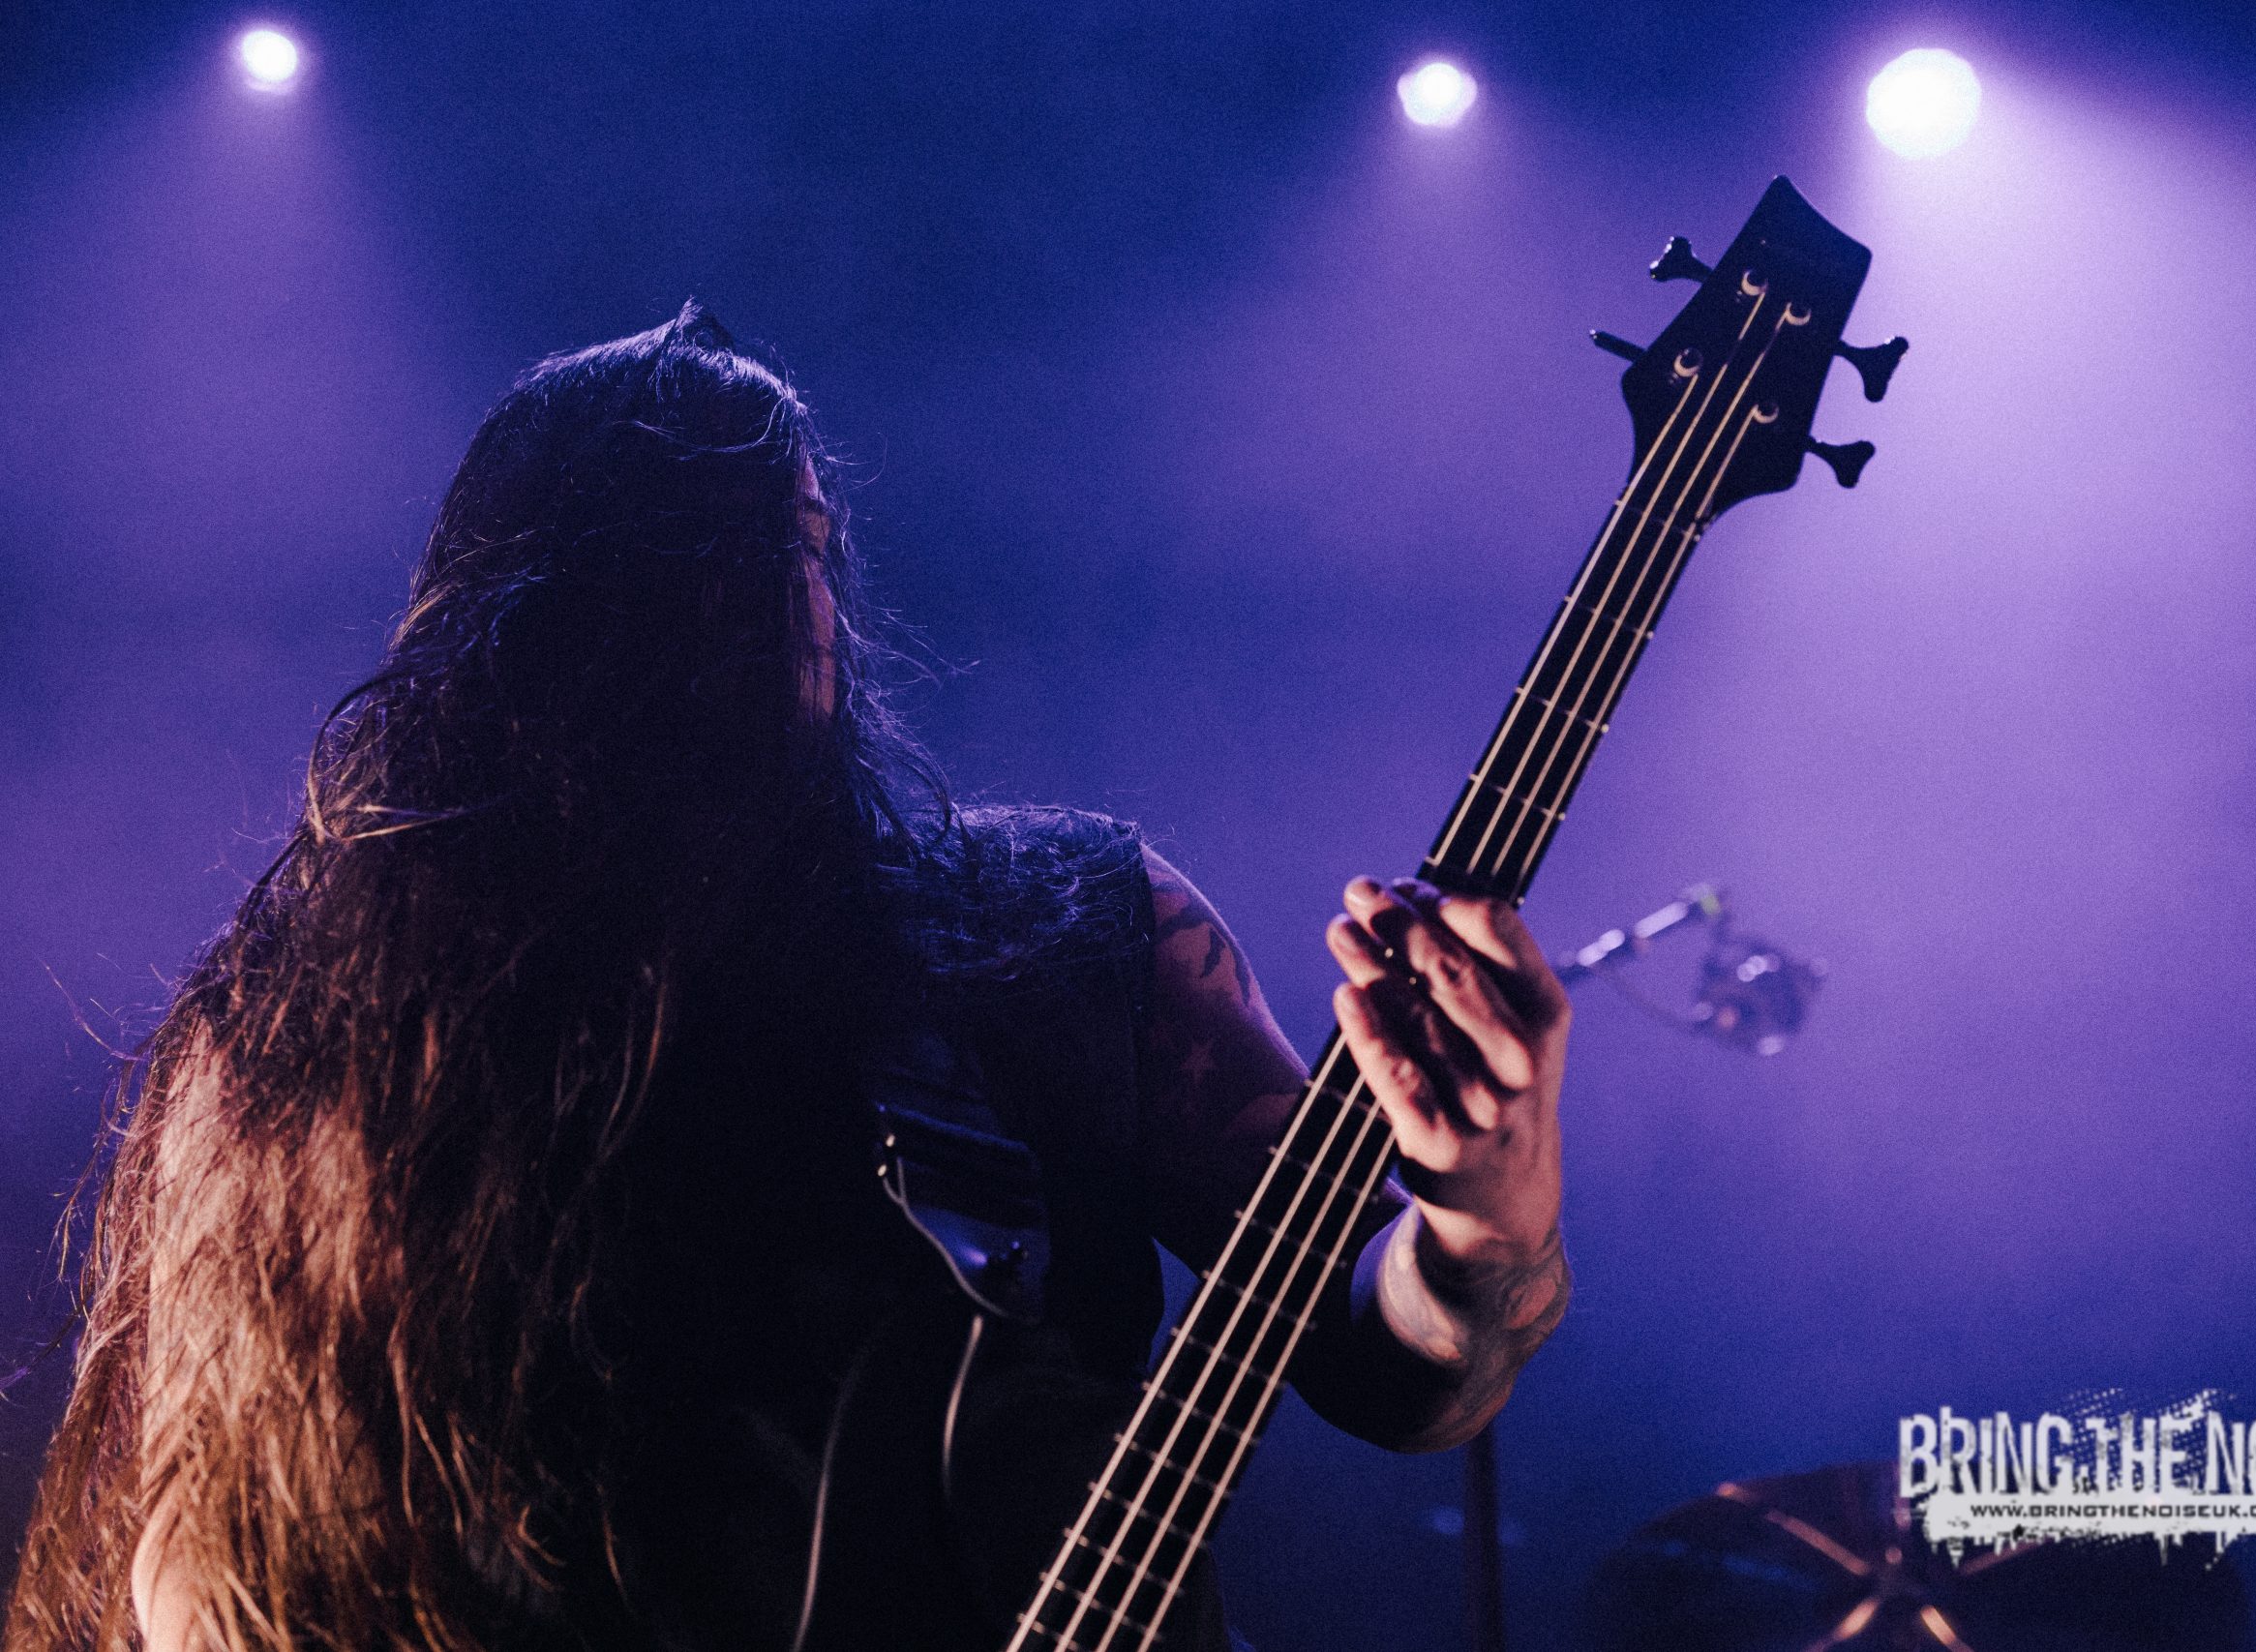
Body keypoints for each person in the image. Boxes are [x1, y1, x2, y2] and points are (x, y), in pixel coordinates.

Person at [4, 305, 1571, 1652]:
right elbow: (201, 1571)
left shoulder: (1073, 929)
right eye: (710, 561)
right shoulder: (315, 1029)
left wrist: (1482, 1220)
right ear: (539, 622)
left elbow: (1387, 1372)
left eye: (805, 546)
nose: (788, 603)